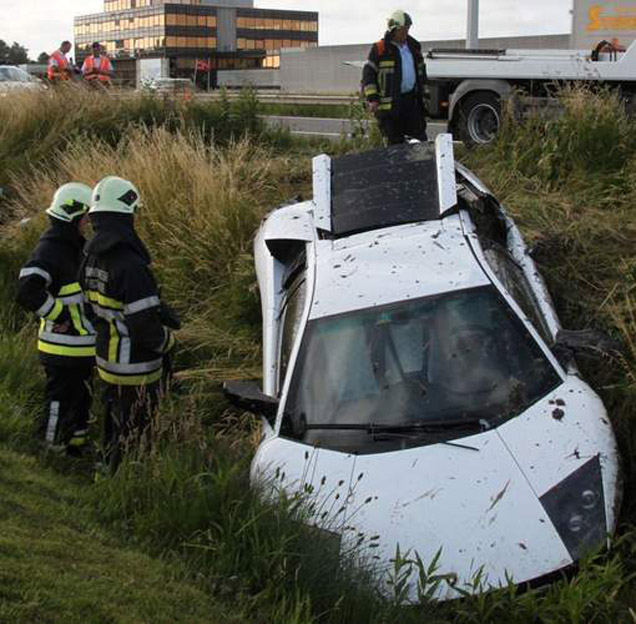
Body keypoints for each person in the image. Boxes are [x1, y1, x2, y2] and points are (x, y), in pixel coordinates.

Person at [80, 176, 176, 471]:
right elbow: (144, 328)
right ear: (125, 216)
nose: (136, 217)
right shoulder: (131, 266)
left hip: (106, 361)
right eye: (134, 212)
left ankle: (105, 475)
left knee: (112, 426)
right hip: (136, 369)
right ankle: (126, 483)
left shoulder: (90, 257)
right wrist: (168, 341)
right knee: (135, 434)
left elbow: (91, 309)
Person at [16, 183, 96, 454]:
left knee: (81, 399)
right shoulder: (51, 249)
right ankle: (48, 450)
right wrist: (60, 315)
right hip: (61, 347)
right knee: (58, 401)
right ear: (74, 216)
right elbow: (27, 290)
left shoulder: (72, 246)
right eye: (86, 216)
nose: (88, 222)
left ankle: (74, 449)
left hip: (80, 347)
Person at [362, 10, 428, 144]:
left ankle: (418, 165)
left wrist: (425, 94)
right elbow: (369, 74)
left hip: (412, 102)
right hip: (390, 107)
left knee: (420, 140)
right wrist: (372, 98)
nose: (406, 32)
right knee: (395, 145)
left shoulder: (414, 46)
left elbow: (421, 72)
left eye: (408, 29)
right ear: (393, 29)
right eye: (403, 29)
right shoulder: (380, 49)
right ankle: (398, 165)